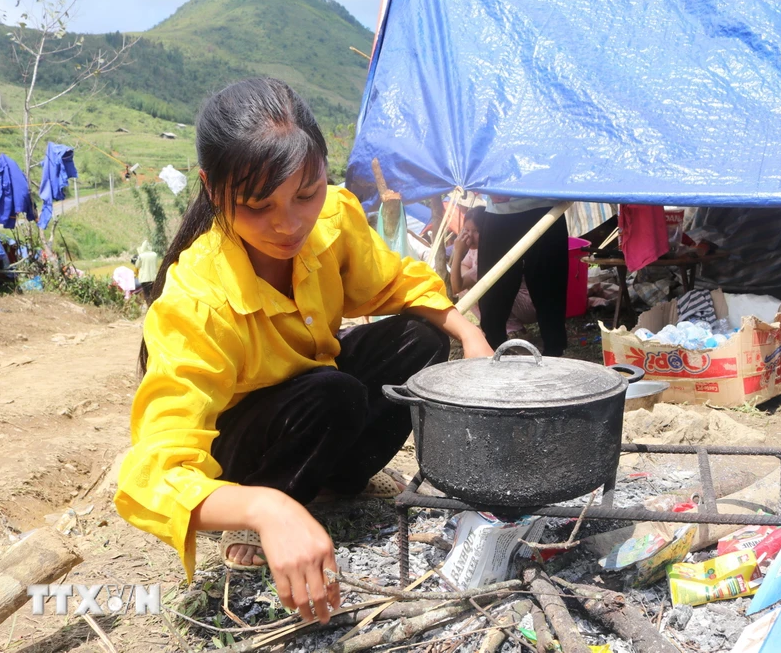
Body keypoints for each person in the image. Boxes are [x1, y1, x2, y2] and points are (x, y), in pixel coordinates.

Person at [113, 78, 492, 625]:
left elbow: (396, 285)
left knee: (421, 338)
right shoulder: (197, 299)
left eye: (304, 194)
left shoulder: (334, 220)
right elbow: (152, 471)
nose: (288, 224)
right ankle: (267, 505)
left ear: (322, 175)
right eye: (257, 206)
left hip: (319, 402)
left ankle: (331, 483)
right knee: (332, 393)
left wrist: (470, 334)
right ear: (211, 188)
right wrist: (262, 507)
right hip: (247, 445)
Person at [477, 196, 568, 356]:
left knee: (550, 287)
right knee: (493, 290)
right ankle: (493, 351)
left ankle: (555, 353)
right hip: (500, 213)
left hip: (547, 207)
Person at [450, 207, 537, 336]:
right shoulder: (476, 249)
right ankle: (502, 325)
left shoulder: (489, 252)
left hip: (527, 305)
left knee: (475, 286)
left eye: (476, 231)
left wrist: (457, 252)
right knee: (467, 284)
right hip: (516, 301)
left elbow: (456, 287)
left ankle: (510, 328)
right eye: (467, 230)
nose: (469, 236)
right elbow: (464, 265)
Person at [134, 240, 159, 305]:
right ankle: (154, 306)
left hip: (144, 279)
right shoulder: (155, 255)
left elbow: (137, 265)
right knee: (153, 293)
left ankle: (149, 306)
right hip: (153, 278)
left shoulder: (141, 256)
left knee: (146, 294)